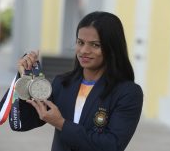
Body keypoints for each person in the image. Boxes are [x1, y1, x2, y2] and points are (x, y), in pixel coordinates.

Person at [12, 11, 143, 151]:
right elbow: (23, 123)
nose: (84, 50)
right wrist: (26, 79)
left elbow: (112, 145)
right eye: (80, 42)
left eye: (95, 45)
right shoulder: (62, 83)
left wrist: (62, 124)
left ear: (112, 48)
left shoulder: (127, 92)